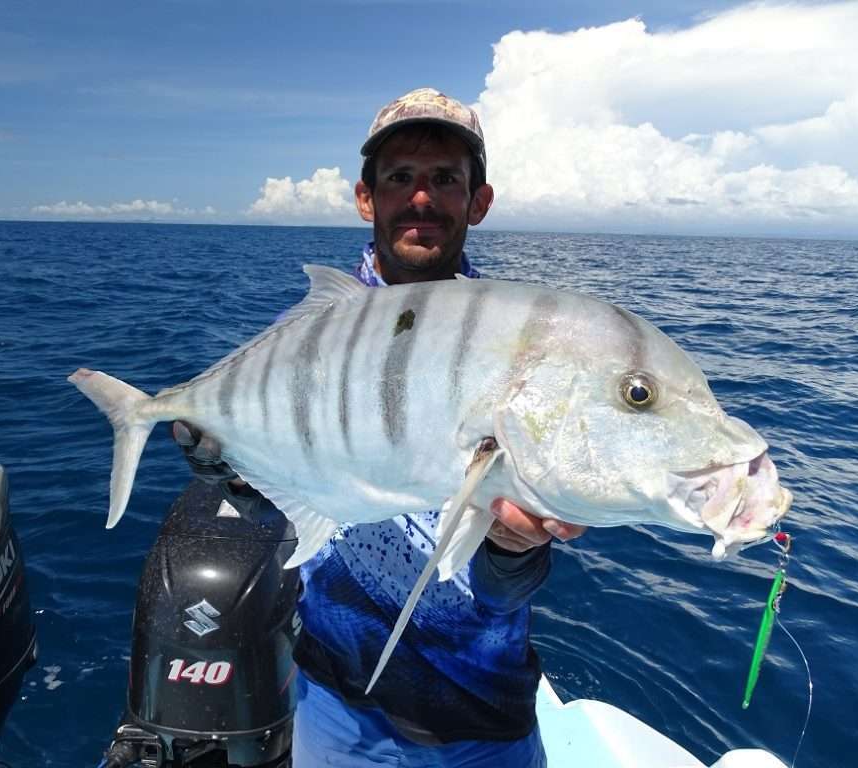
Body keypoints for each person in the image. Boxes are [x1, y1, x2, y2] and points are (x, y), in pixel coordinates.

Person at [175, 87, 585, 767]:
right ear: (367, 198)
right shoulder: (297, 339)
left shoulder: (515, 346)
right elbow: (280, 510)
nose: (420, 198)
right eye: (399, 178)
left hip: (483, 718)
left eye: (445, 179)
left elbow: (503, 587)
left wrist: (515, 547)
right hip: (335, 702)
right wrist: (234, 474)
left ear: (477, 202)